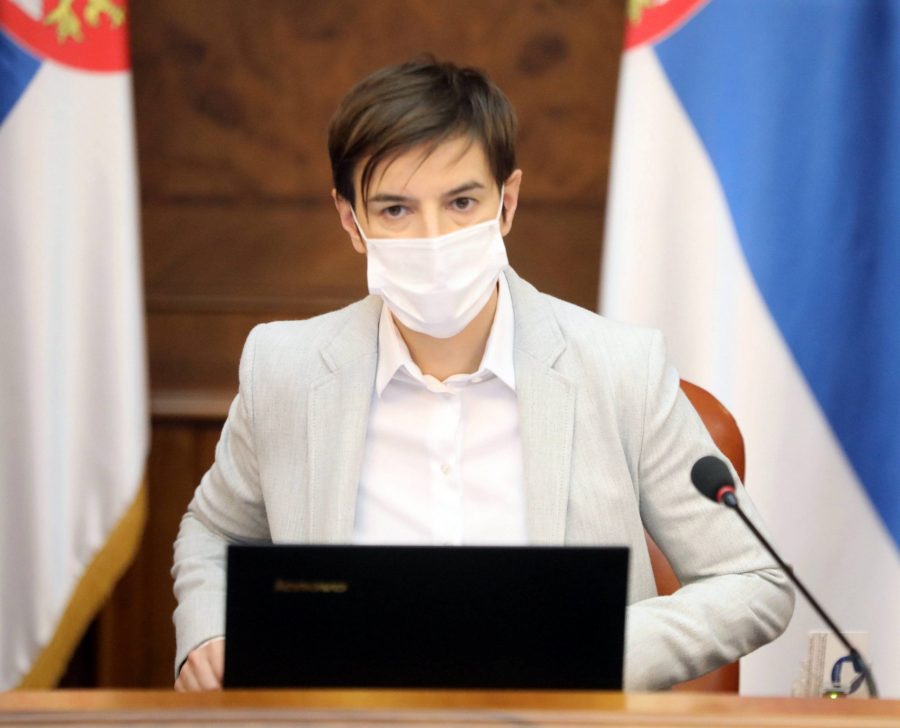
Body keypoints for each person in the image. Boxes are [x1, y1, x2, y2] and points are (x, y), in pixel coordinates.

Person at [172, 57, 794, 692]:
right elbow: (214, 530)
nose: (433, 238)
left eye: (462, 202)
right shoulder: (285, 369)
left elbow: (755, 580)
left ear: (507, 203)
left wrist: (596, 651)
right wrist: (208, 630)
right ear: (350, 221)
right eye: (395, 210)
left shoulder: (621, 370)